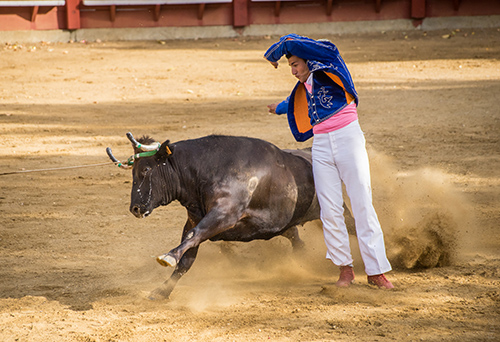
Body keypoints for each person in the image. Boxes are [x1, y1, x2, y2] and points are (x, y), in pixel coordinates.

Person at [264, 34, 394, 289]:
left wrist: (276, 52)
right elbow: (294, 104)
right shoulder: (305, 86)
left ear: (310, 60)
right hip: (321, 144)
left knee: (362, 204)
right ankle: (345, 269)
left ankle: (376, 271)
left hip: (348, 138)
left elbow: (293, 42)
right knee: (329, 209)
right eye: (290, 65)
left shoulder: (331, 60)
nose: (293, 71)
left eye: (295, 64)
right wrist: (278, 107)